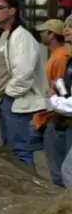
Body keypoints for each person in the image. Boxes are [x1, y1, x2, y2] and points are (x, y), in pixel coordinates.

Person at [0, 0, 47, 172]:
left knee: (20, 150)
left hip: (15, 100)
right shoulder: (2, 36)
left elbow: (24, 71)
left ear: (12, 11)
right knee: (10, 150)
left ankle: (32, 190)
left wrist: (9, 94)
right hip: (4, 101)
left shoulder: (22, 37)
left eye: (0, 8)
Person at [36, 19, 72, 185]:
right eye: (66, 27)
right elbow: (63, 84)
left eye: (71, 27)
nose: (67, 30)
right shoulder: (65, 57)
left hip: (59, 117)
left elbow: (64, 92)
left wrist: (54, 98)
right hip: (58, 115)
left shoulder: (61, 57)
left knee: (64, 171)